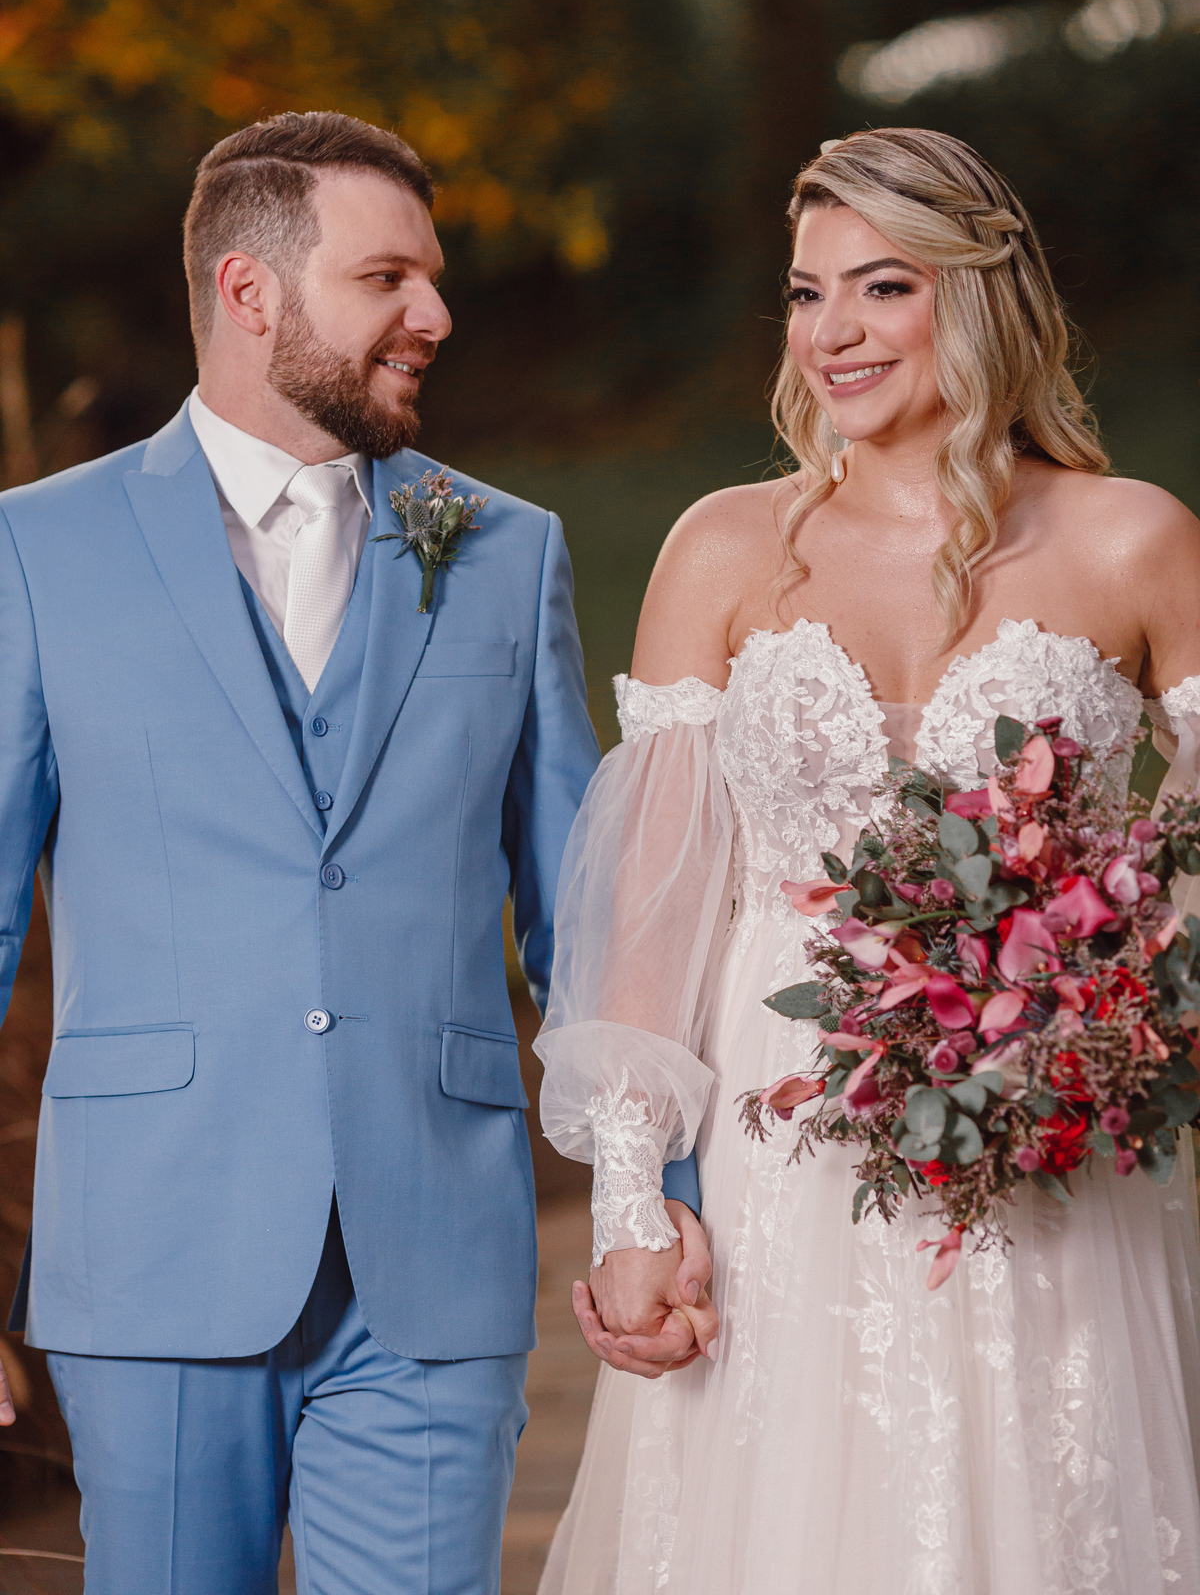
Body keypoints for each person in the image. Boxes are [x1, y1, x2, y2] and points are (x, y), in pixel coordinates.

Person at [535, 127, 1200, 1593]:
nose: (831, 331)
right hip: (782, 1152)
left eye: (882, 286)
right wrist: (635, 1206)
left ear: (981, 293)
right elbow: (655, 911)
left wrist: (1109, 1002)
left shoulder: (1135, 542)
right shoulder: (724, 550)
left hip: (1049, 1142)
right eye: (805, 292)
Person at [0, 108, 615, 1595]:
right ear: (249, 289)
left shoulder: (505, 549)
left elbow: (589, 924)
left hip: (436, 1259)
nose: (435, 315)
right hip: (151, 1253)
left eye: (434, 278)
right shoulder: (37, 548)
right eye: (387, 278)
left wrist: (657, 1205)